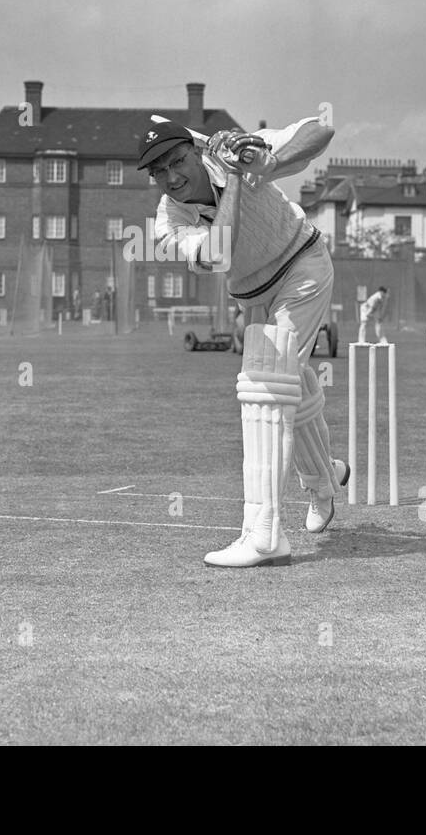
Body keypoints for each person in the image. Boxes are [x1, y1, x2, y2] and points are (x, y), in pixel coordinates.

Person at [141, 116, 348, 567]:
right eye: (160, 171)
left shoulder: (233, 150)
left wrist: (266, 162)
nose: (173, 178)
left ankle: (265, 534)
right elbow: (218, 254)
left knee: (265, 386)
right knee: (292, 380)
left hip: (302, 267)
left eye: (178, 161)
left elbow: (322, 130)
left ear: (194, 152)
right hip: (251, 294)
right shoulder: (167, 221)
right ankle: (324, 477)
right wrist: (236, 176)